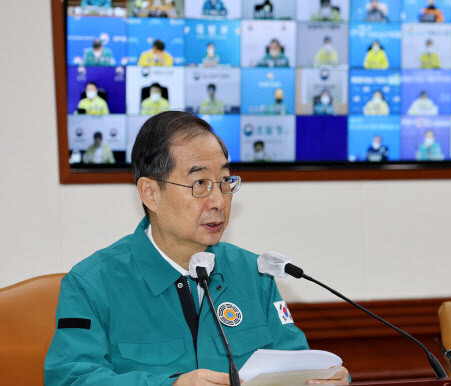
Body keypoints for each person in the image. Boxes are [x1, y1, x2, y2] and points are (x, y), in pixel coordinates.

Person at [44, 111, 352, 385]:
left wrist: (324, 378)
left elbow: (295, 362)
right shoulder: (91, 284)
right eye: (200, 184)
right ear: (150, 193)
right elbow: (71, 378)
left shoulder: (253, 273)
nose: (218, 201)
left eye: (224, 181)